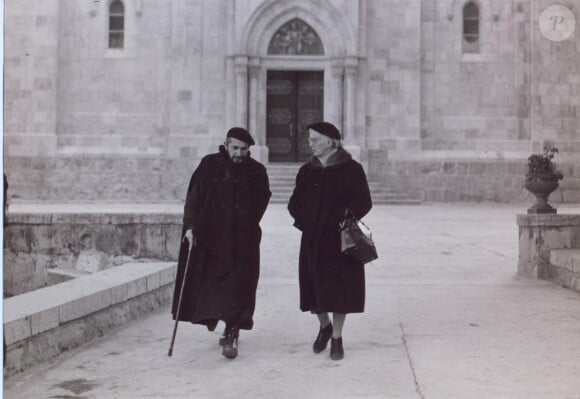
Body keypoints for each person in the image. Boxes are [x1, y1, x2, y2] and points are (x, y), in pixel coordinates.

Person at [171, 127, 271, 360]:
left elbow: (261, 201)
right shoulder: (209, 165)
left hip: (242, 241)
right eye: (234, 148)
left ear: (249, 150)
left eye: (243, 149)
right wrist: (189, 227)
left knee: (238, 286)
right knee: (214, 286)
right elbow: (193, 198)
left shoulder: (256, 171)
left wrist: (243, 222)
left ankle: (231, 331)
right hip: (211, 240)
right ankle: (223, 324)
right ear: (225, 145)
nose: (238, 153)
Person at [288, 122, 372, 361]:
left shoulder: (351, 169)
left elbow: (364, 201)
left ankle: (336, 337)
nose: (310, 143)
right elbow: (294, 203)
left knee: (340, 289)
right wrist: (306, 221)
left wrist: (344, 216)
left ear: (331, 141)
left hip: (340, 239)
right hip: (314, 239)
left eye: (315, 139)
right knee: (314, 286)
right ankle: (324, 325)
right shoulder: (307, 170)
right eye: (310, 139)